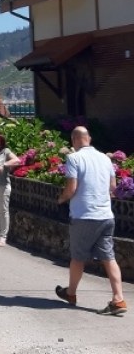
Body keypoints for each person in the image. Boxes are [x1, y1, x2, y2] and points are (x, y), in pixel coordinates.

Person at [55, 125, 127, 316]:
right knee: (109, 258)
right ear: (89, 138)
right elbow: (113, 187)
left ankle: (70, 293)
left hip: (84, 216)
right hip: (106, 215)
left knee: (78, 258)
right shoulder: (105, 158)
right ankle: (118, 299)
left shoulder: (74, 158)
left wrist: (60, 199)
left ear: (74, 140)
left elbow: (71, 188)